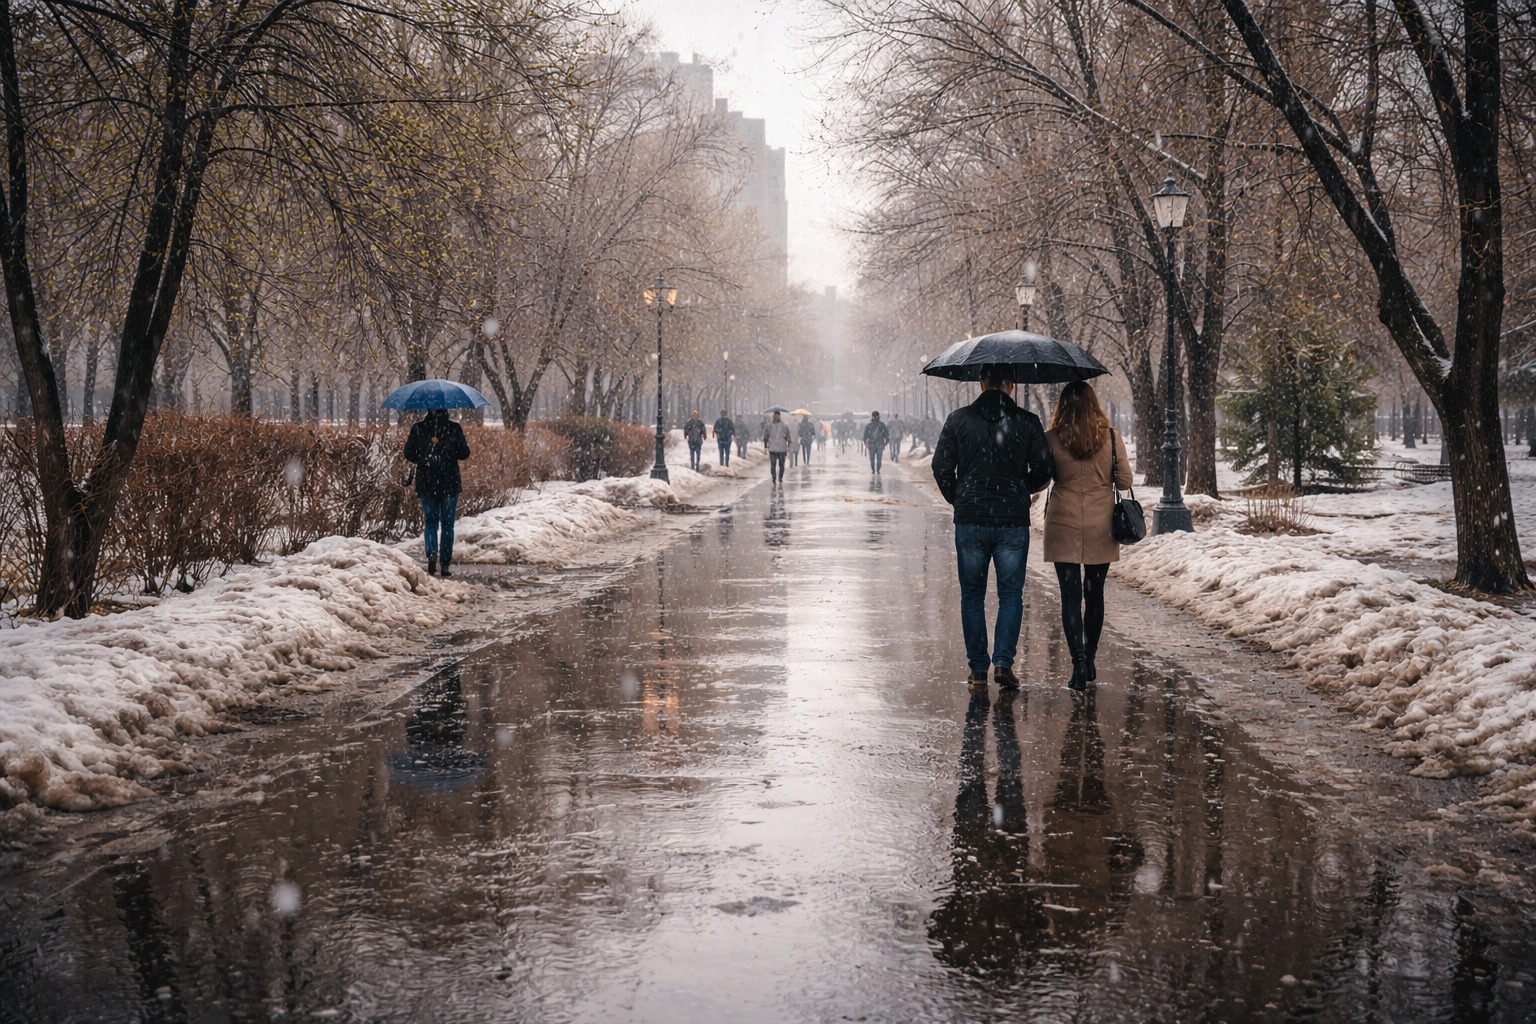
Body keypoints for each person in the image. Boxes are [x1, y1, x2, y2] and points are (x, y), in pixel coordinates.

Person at [931, 364, 1053, 688]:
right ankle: (1002, 662)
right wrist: (1020, 488)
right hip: (1011, 521)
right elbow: (1044, 468)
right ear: (1011, 385)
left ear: (981, 383)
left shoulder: (958, 420)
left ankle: (977, 668)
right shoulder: (1027, 422)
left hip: (970, 519)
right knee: (1011, 594)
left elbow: (940, 466)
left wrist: (959, 496)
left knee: (971, 595)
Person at [1041, 381, 1133, 690]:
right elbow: (1124, 482)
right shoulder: (1110, 437)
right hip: (1100, 525)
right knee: (1095, 594)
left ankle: (1078, 663)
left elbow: (1040, 480)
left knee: (1070, 596)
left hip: (1063, 523)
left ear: (1062, 405)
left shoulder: (1052, 438)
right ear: (1094, 404)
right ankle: (1091, 656)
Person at [404, 407, 471, 577]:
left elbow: (408, 453)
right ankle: (445, 563)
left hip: (427, 481)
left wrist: (426, 453)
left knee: (431, 520)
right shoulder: (454, 428)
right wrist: (447, 449)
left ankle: (432, 554)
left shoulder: (418, 428)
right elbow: (464, 453)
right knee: (447, 523)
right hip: (449, 481)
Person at [763, 410, 792, 484]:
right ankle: (778, 478)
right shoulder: (784, 426)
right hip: (780, 448)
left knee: (774, 464)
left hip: (774, 448)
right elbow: (788, 438)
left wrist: (765, 446)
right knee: (780, 465)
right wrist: (788, 445)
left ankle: (775, 477)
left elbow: (766, 437)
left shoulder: (769, 426)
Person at [863, 410, 890, 475]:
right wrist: (886, 442)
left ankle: (876, 470)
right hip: (877, 444)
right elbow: (886, 434)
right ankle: (875, 470)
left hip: (875, 444)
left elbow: (865, 436)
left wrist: (865, 442)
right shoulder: (880, 425)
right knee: (876, 459)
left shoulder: (871, 425)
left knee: (875, 459)